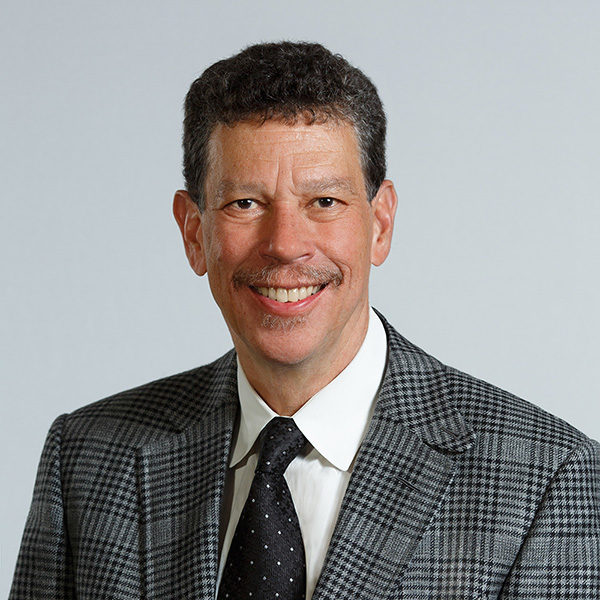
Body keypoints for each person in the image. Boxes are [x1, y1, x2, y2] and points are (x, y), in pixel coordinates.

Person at [10, 41, 599, 600]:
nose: (285, 246)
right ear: (194, 233)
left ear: (381, 223)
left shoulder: (548, 482)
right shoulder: (87, 458)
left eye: (324, 202)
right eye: (246, 203)